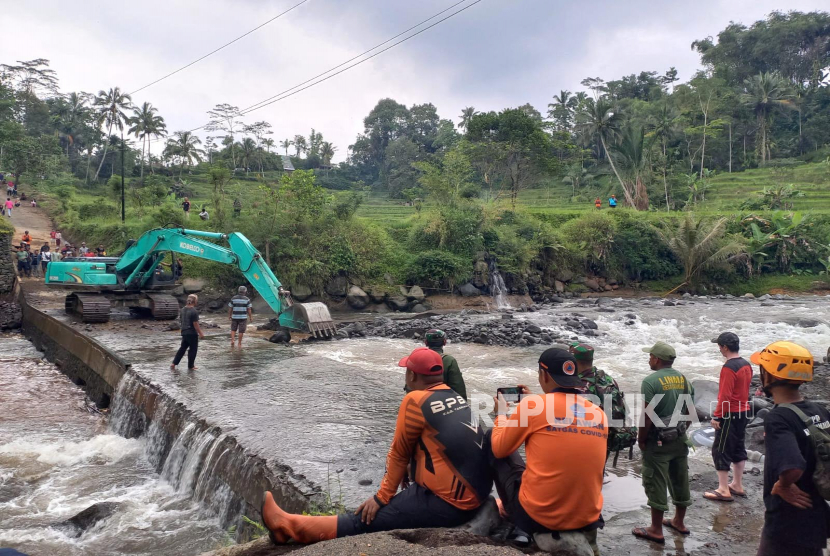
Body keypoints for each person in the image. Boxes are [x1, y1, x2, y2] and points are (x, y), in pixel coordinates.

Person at [261, 347, 492, 544]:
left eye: (406, 372)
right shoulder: (456, 397)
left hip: (450, 504)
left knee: (364, 518)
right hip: (476, 494)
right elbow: (440, 444)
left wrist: (381, 497)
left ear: (411, 375)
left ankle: (287, 526)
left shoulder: (414, 400)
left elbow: (399, 454)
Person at [490, 347, 607, 554]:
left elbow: (500, 450)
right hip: (588, 517)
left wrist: (501, 415)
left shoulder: (534, 406)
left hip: (541, 518)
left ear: (543, 374)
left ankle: (500, 511)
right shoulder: (598, 412)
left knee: (494, 438)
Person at [752, 341, 829, 556]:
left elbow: (793, 466)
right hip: (815, 514)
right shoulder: (819, 410)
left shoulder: (778, 418)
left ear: (771, 376)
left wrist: (783, 485)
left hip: (787, 521)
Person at [633, 341, 695, 544]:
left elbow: (647, 416)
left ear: (657, 359)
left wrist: (641, 439)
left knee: (655, 480)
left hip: (657, 440)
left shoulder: (651, 381)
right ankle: (679, 521)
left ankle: (656, 529)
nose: (649, 359)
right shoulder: (684, 379)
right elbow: (689, 411)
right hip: (679, 438)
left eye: (650, 356)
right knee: (679, 477)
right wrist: (681, 431)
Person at [705, 332, 753, 502]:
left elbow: (725, 395)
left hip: (730, 413)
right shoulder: (746, 364)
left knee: (721, 449)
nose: (719, 349)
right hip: (744, 411)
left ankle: (723, 489)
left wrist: (717, 416)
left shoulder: (729, 367)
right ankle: (737, 485)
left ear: (725, 347)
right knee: (739, 447)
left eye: (719, 346)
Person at [569, 342, 637, 464]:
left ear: (573, 361)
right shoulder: (608, 379)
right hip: (608, 438)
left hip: (586, 442)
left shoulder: (578, 385)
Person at [424, 329, 467, 399]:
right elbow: (458, 388)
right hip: (442, 403)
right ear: (444, 342)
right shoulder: (449, 360)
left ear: (426, 342)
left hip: (420, 401)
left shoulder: (417, 358)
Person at [171, 294, 205, 371]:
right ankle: (191, 366)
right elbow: (195, 324)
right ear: (195, 301)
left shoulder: (182, 310)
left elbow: (181, 321)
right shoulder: (194, 311)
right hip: (192, 333)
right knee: (193, 349)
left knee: (182, 348)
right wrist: (201, 333)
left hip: (184, 332)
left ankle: (174, 363)